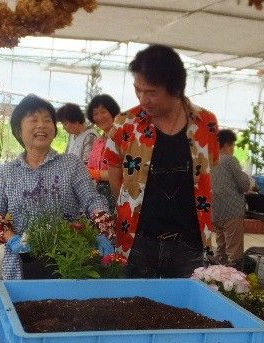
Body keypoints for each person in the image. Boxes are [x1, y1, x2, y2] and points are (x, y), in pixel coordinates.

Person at [104, 44, 219, 278]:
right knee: (134, 306)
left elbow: (210, 169)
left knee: (184, 310)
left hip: (189, 243)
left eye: (152, 92)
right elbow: (113, 166)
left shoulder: (205, 123)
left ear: (175, 89)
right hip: (138, 240)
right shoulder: (126, 123)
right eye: (138, 90)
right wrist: (127, 203)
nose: (143, 99)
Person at [0, 94, 114, 280]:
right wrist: (12, 239)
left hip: (68, 262)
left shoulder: (72, 164)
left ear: (55, 129)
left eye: (47, 120)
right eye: (33, 120)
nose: (41, 125)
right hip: (21, 265)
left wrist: (102, 232)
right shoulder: (6, 172)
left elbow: (92, 200)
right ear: (18, 130)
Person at [212, 129, 251, 269]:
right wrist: (248, 179)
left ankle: (217, 280)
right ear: (227, 145)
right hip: (232, 211)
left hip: (215, 211)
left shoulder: (212, 160)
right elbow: (243, 185)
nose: (233, 149)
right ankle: (233, 282)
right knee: (234, 253)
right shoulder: (230, 160)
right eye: (233, 145)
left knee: (220, 250)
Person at [86, 94, 121, 213]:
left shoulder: (121, 138)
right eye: (95, 114)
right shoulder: (98, 141)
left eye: (103, 112)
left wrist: (96, 174)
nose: (99, 117)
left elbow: (124, 173)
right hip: (98, 195)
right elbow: (89, 167)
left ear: (112, 112)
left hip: (116, 194)